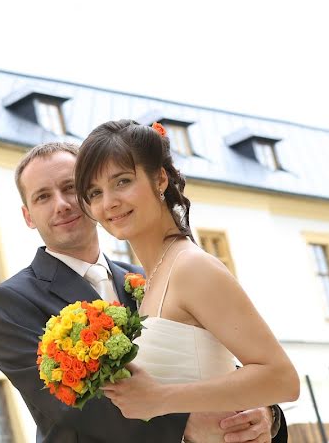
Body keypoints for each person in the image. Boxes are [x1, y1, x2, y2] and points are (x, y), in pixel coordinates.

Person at [0, 141, 287, 442]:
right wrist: (185, 424)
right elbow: (73, 406)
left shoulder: (148, 276)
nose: (61, 204)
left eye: (70, 188)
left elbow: (199, 356)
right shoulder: (10, 303)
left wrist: (264, 410)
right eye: (43, 197)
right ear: (28, 216)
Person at [73, 120, 300, 424]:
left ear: (160, 179)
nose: (109, 202)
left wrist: (160, 399)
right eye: (95, 192)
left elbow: (282, 379)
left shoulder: (192, 268)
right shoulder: (150, 280)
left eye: (122, 182)